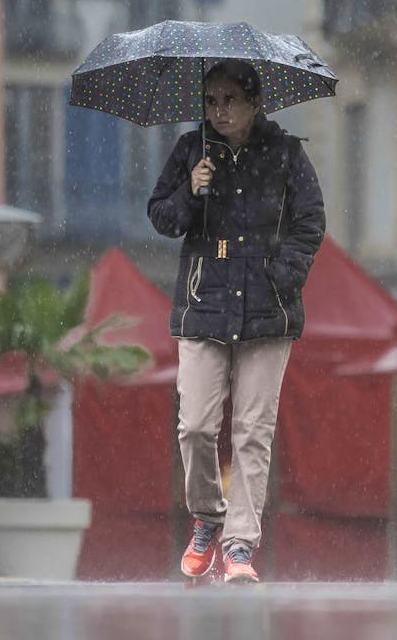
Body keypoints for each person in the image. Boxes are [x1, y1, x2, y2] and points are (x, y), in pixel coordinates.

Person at [147, 59, 325, 584]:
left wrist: (283, 275)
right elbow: (162, 216)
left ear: (254, 103)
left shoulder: (287, 154)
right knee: (196, 425)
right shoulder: (190, 150)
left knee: (253, 429)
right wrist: (190, 190)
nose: (219, 110)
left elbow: (310, 220)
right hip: (203, 300)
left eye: (229, 100)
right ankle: (207, 515)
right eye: (211, 100)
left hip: (268, 307)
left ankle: (241, 544)